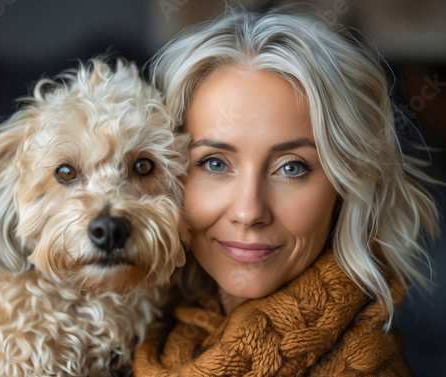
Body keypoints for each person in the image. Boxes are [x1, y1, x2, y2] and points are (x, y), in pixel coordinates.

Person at [133, 7, 440, 376]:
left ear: (344, 186)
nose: (249, 211)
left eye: (292, 167)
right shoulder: (131, 336)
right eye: (214, 163)